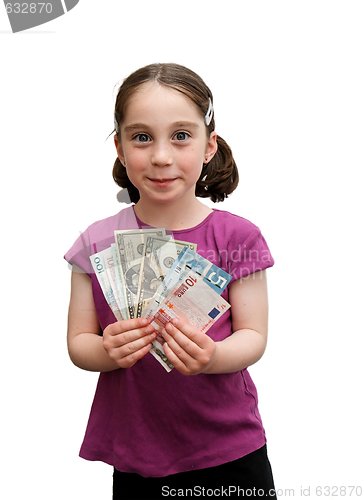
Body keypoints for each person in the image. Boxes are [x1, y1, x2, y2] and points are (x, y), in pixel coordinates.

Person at [65, 63, 277, 500]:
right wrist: (107, 350)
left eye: (181, 135)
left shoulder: (238, 237)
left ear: (208, 146)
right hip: (138, 455)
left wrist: (214, 355)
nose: (161, 156)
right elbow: (78, 342)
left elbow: (254, 335)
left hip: (230, 452)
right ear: (121, 149)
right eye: (142, 137)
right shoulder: (96, 242)